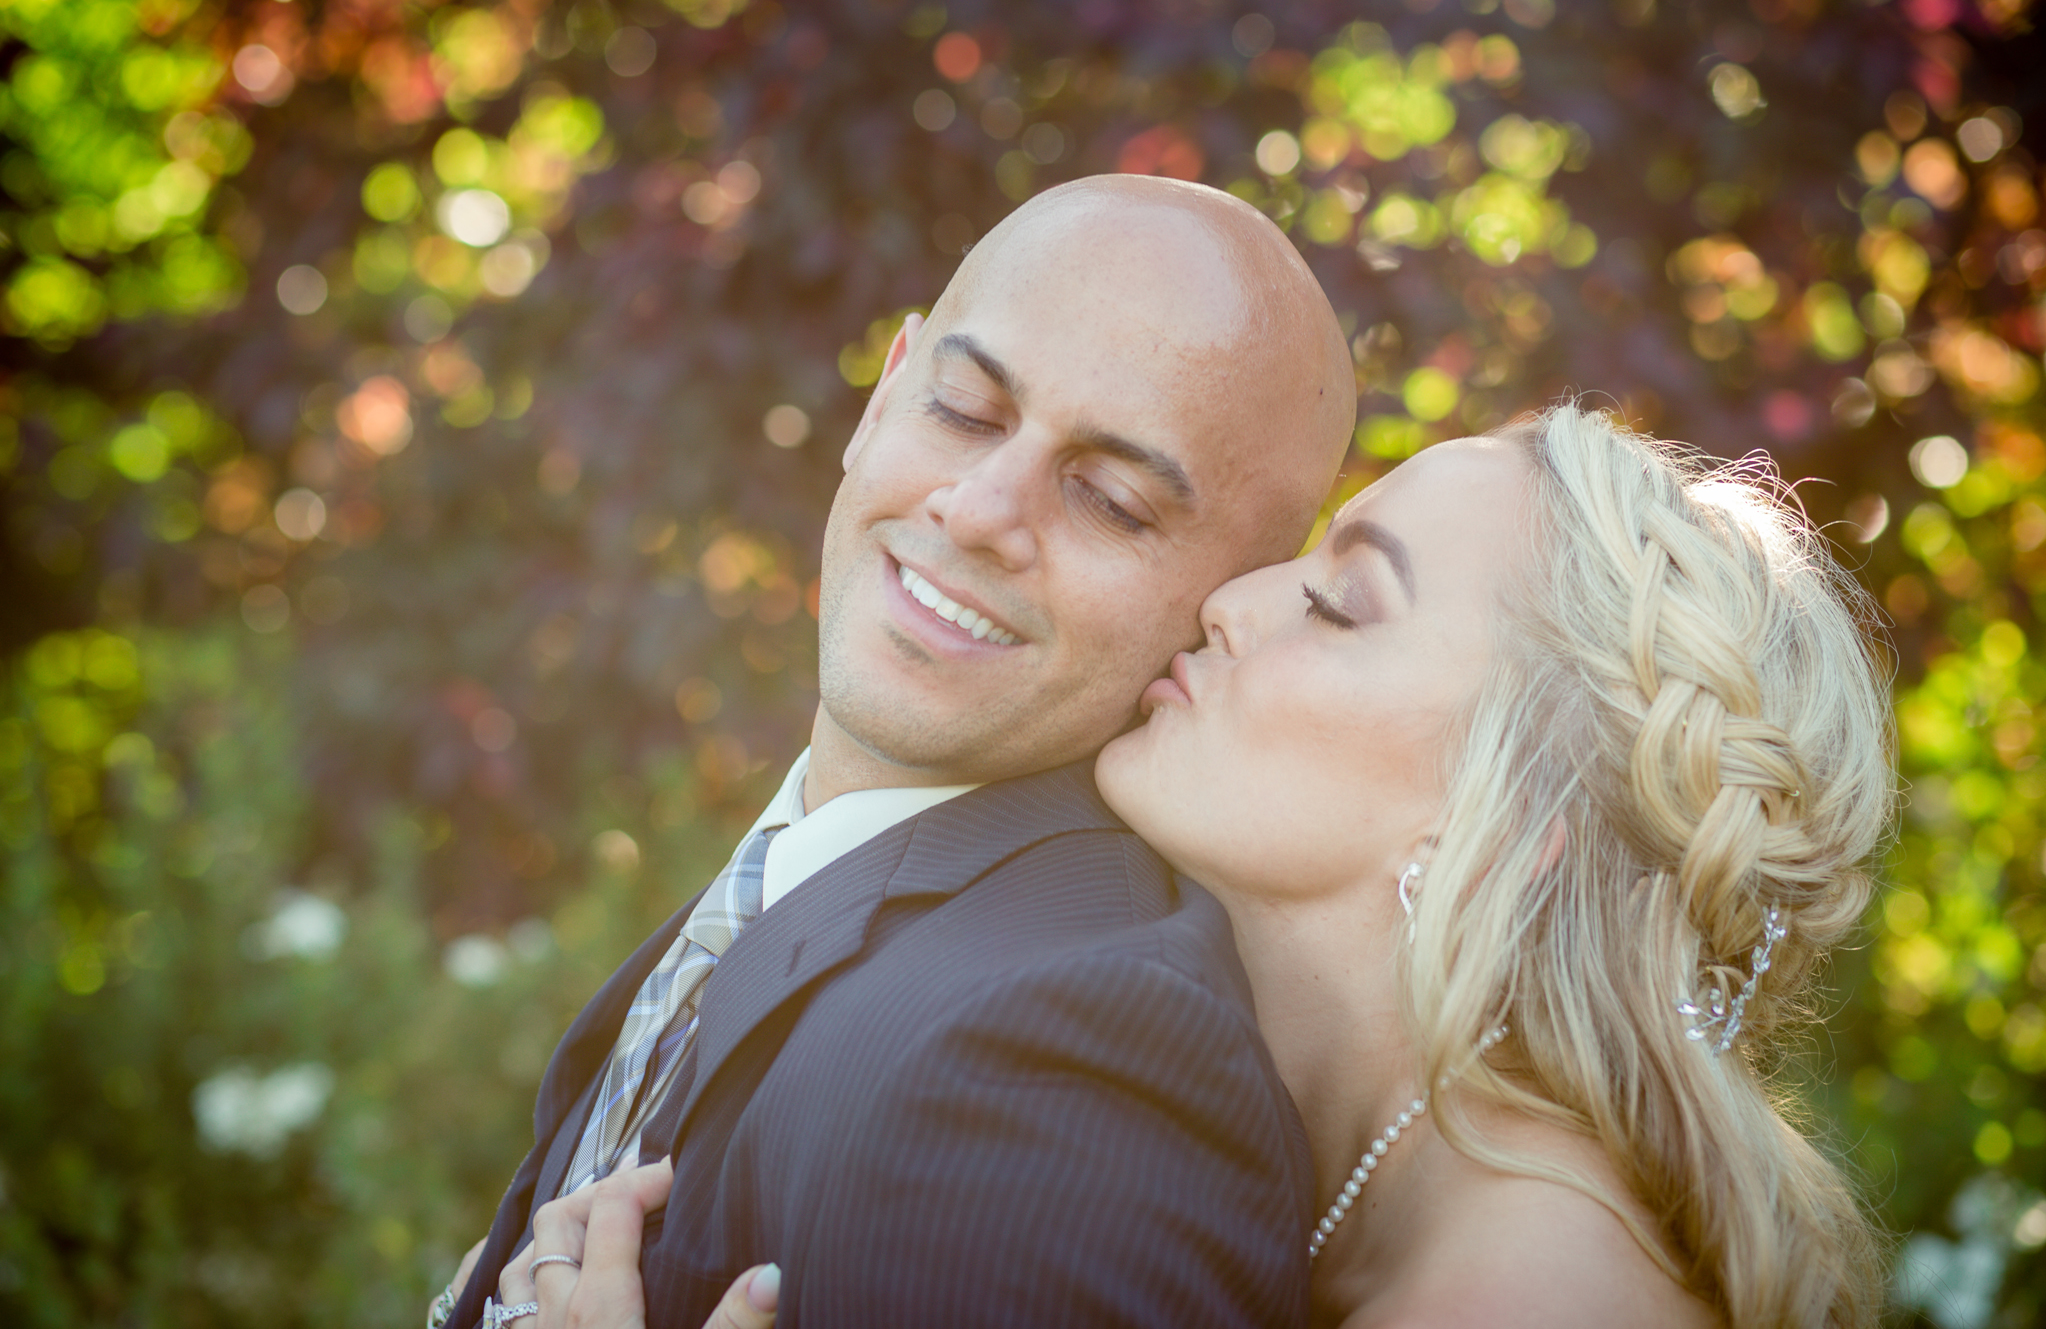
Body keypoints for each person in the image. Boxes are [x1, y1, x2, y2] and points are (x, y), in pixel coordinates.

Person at [513, 403, 1894, 1329]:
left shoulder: (1540, 1292)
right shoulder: (1363, 1188)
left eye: (1340, 603)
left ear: (1526, 829)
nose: (1228, 606)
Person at [437, 172, 1360, 1329]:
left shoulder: (1072, 1065)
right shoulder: (807, 880)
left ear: (1224, 604)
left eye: (1112, 502)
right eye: (966, 412)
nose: (977, 507)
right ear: (881, 400)